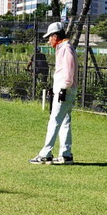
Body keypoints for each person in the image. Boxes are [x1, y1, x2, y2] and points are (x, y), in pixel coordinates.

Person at [30, 22, 78, 165]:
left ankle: (45, 154)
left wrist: (63, 88)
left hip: (65, 90)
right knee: (64, 121)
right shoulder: (64, 47)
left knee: (54, 121)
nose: (48, 40)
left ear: (55, 36)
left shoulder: (66, 48)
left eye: (49, 37)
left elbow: (68, 72)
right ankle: (66, 154)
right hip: (65, 89)